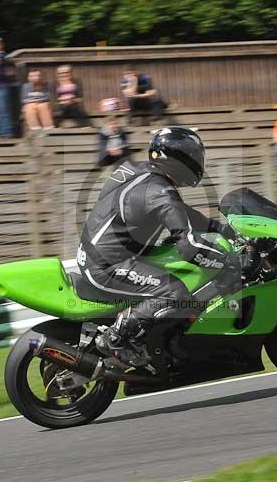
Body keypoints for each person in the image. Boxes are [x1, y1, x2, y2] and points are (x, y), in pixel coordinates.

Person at [77, 126, 239, 367]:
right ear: (179, 158)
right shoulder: (158, 191)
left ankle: (149, 339)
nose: (197, 161)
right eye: (194, 155)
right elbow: (188, 245)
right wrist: (228, 261)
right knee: (175, 293)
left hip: (99, 256)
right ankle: (114, 338)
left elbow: (180, 213)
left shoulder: (137, 172)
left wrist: (221, 229)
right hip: (107, 265)